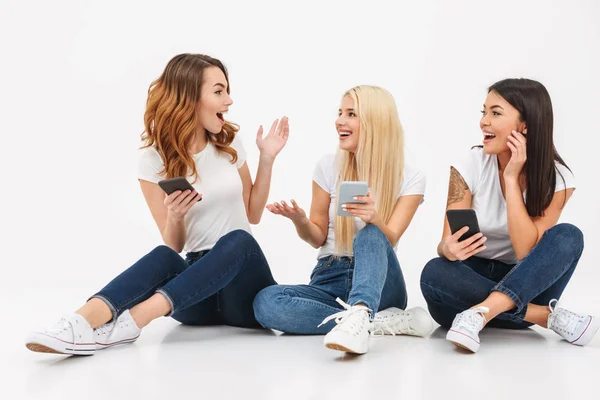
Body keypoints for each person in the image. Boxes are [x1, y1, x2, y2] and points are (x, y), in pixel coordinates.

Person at [25, 53, 289, 356]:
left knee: (239, 239)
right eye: (218, 91)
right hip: (193, 295)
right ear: (189, 98)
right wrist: (176, 216)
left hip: (242, 288)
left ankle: (132, 322)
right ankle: (78, 324)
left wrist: (267, 159)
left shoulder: (229, 145)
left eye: (226, 90)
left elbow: (252, 214)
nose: (229, 100)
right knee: (164, 257)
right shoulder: (153, 161)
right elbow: (174, 244)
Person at [420, 78, 598, 353]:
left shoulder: (560, 178)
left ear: (525, 125)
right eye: (484, 112)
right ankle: (544, 316)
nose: (484, 122)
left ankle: (482, 311)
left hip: (526, 283)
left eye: (496, 113)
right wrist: (448, 249)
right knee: (434, 271)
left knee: (569, 235)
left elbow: (526, 250)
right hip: (462, 295)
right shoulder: (471, 163)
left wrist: (511, 178)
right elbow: (445, 244)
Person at [253, 85, 433, 355]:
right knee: (266, 302)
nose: (339, 121)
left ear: (375, 122)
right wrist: (300, 220)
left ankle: (362, 312)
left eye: (351, 114)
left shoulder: (411, 176)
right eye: (340, 112)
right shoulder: (327, 167)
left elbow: (391, 236)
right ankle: (374, 321)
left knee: (371, 234)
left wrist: (374, 218)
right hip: (329, 277)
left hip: (381, 282)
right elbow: (317, 238)